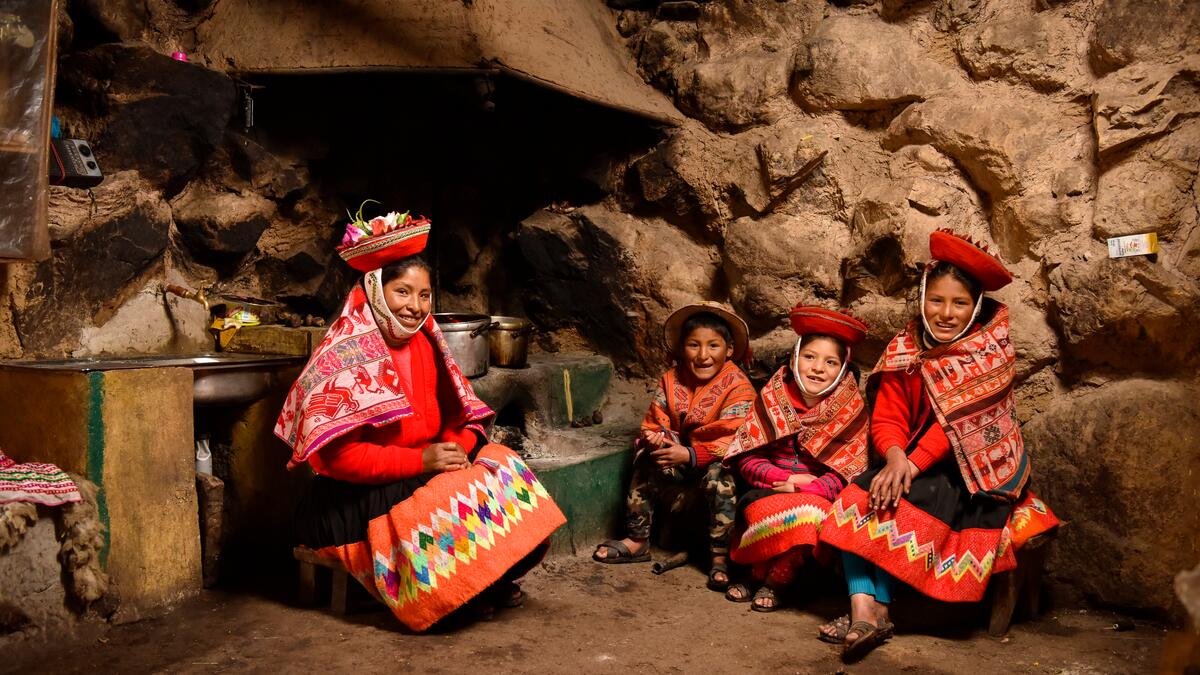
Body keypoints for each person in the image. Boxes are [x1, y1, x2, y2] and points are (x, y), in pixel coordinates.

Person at [276, 207, 565, 632]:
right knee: (440, 492)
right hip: (344, 500)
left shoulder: (426, 342)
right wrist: (425, 462)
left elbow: (459, 418)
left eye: (424, 295)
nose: (415, 307)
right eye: (402, 293)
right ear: (375, 290)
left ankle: (487, 577)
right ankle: (451, 593)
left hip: (416, 469)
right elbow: (338, 461)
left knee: (498, 460)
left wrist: (458, 450)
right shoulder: (345, 354)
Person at [817, 229, 1060, 663]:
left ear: (976, 306)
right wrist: (893, 457)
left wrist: (909, 466)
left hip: (972, 470)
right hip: (907, 457)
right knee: (860, 494)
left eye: (959, 303)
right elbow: (888, 415)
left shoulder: (990, 351)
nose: (945, 313)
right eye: (937, 300)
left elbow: (956, 427)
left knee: (909, 498)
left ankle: (877, 610)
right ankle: (863, 610)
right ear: (922, 299)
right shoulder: (905, 348)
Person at [592, 302, 755, 592]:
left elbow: (737, 438)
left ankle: (719, 556)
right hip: (679, 459)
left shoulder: (738, 387)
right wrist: (659, 439)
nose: (703, 355)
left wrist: (691, 454)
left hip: (717, 463)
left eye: (713, 346)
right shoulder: (671, 379)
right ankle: (639, 539)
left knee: (723, 479)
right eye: (694, 345)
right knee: (647, 458)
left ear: (729, 349)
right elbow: (656, 420)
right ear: (682, 348)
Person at [720, 305, 870, 612]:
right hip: (768, 490)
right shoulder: (773, 396)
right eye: (810, 357)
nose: (817, 368)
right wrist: (784, 480)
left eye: (830, 362)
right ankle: (757, 573)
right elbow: (746, 457)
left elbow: (846, 473)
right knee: (776, 511)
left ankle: (774, 580)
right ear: (795, 358)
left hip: (816, 499)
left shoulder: (851, 409)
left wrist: (803, 490)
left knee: (813, 515)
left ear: (843, 368)